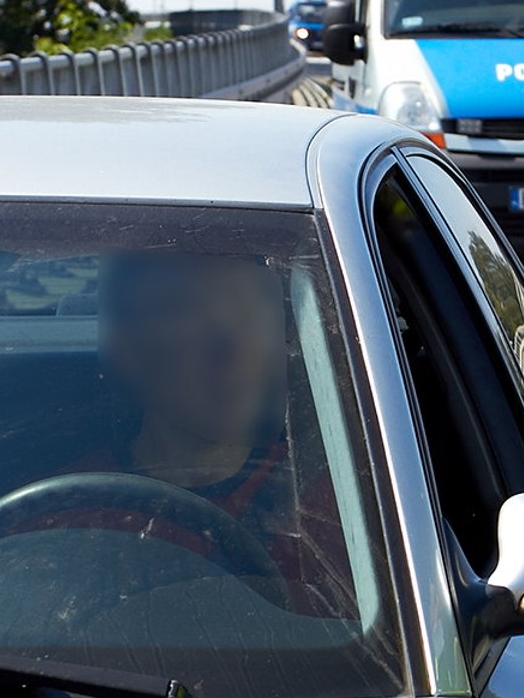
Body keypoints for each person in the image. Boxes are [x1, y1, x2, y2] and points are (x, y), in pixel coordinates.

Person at [45, 251, 353, 617]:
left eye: (251, 314)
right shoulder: (64, 515)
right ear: (127, 351)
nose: (236, 351)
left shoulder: (335, 512)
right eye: (189, 315)